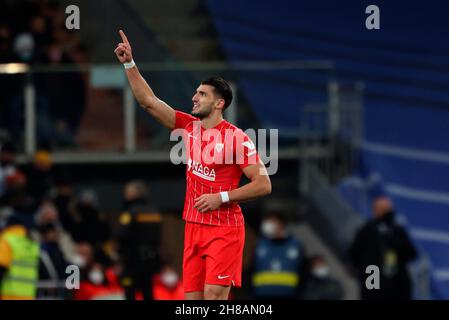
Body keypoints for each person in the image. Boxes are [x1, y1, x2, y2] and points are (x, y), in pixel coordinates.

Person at [114, 30, 272, 300]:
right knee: (192, 301)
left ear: (219, 103)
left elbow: (263, 184)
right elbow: (148, 102)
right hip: (193, 227)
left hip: (224, 228)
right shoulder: (188, 127)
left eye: (202, 94)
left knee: (213, 295)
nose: (194, 98)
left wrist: (220, 197)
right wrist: (129, 64)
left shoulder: (237, 138)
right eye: (196, 93)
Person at [349, 196, 418, 300]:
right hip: (374, 278)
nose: (388, 212)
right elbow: (354, 254)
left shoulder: (398, 231)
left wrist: (398, 246)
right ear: (376, 211)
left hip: (396, 283)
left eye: (389, 209)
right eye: (384, 209)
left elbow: (411, 254)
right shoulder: (367, 230)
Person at [116, 180, 162, 300]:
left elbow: (122, 236)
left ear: (134, 194)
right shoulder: (154, 211)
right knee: (148, 291)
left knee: (129, 292)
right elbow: (158, 237)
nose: (125, 194)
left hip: (131, 260)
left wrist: (120, 256)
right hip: (150, 259)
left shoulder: (129, 212)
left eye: (127, 191)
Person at [250, 212, 306, 299]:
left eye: (272, 222)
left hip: (289, 296)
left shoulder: (296, 245)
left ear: (281, 224)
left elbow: (304, 272)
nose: (268, 225)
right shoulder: (259, 244)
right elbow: (251, 269)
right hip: (261, 296)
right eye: (267, 221)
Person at [0, 215, 40, 300]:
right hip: (28, 295)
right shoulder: (32, 244)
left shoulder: (6, 241)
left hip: (8, 295)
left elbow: (1, 267)